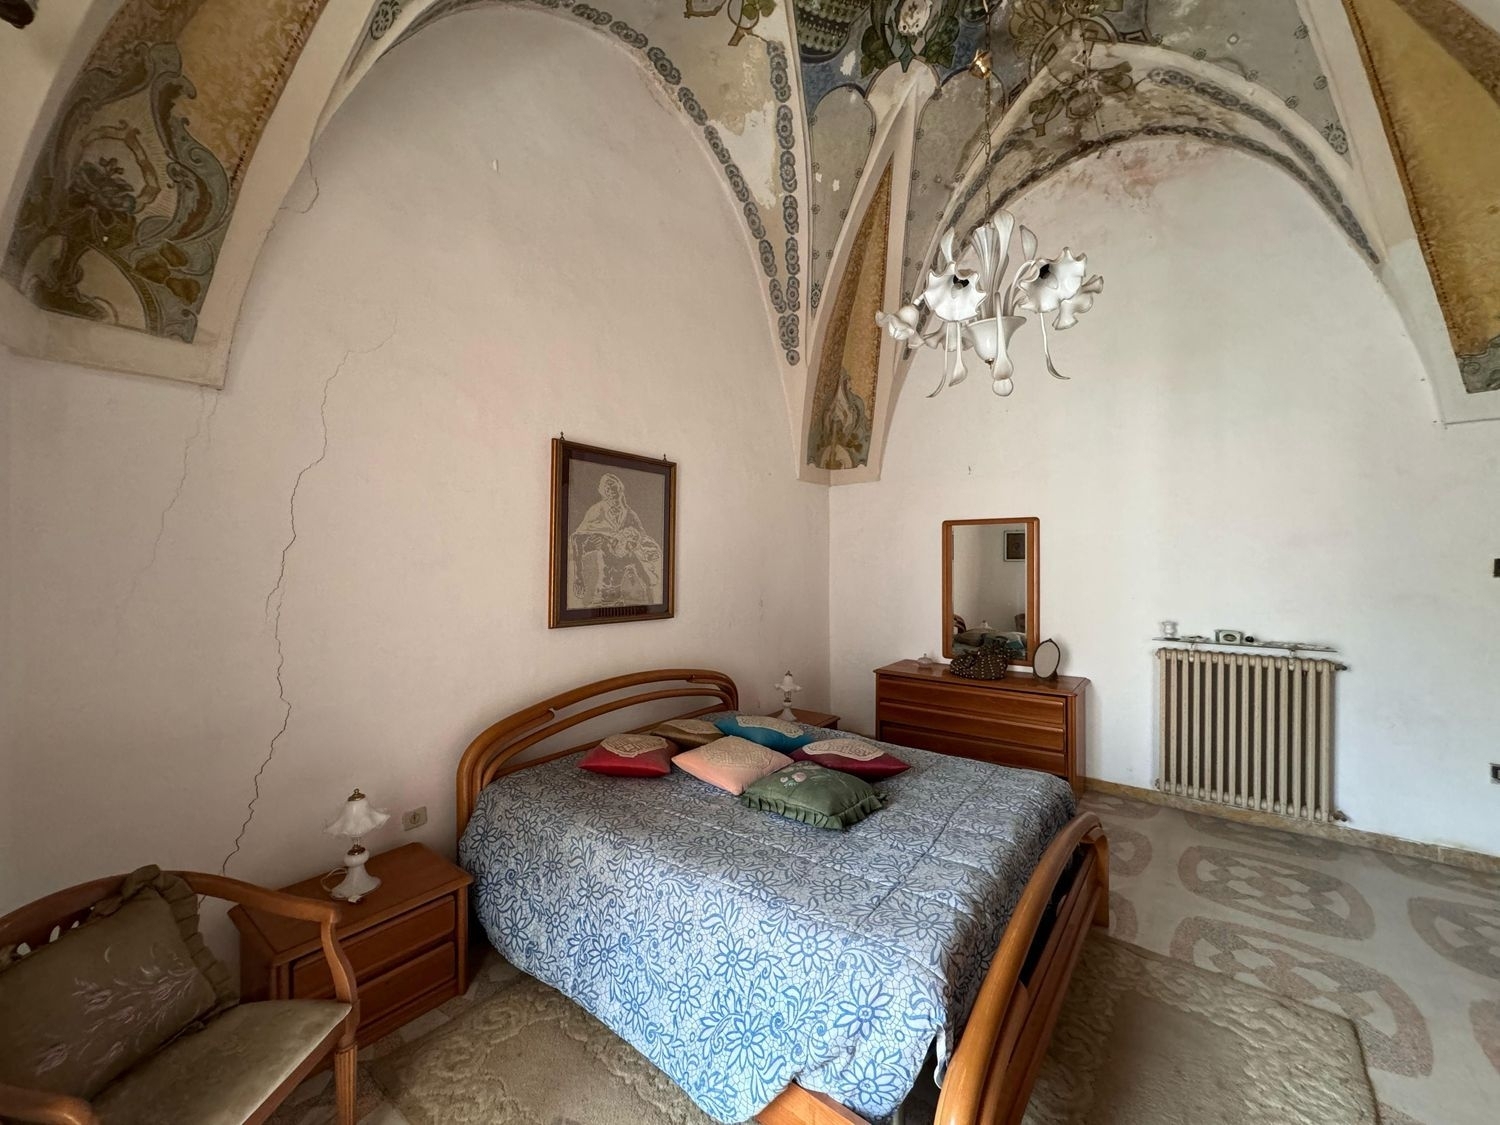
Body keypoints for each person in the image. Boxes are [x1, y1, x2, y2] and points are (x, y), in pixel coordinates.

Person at [569, 472, 663, 606]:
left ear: (620, 490)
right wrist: (578, 576)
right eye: (607, 489)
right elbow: (577, 538)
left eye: (614, 489)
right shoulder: (596, 511)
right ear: (603, 492)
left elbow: (643, 538)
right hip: (605, 576)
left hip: (629, 577)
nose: (611, 492)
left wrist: (645, 548)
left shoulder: (630, 514)